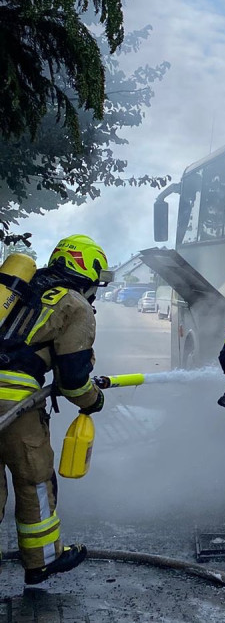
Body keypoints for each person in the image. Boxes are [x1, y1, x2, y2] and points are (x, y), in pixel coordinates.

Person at [0, 235, 108, 585]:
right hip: (14, 402)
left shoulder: (18, 290)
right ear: (87, 268)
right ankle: (44, 560)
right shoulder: (74, 304)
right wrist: (93, 400)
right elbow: (74, 378)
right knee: (34, 477)